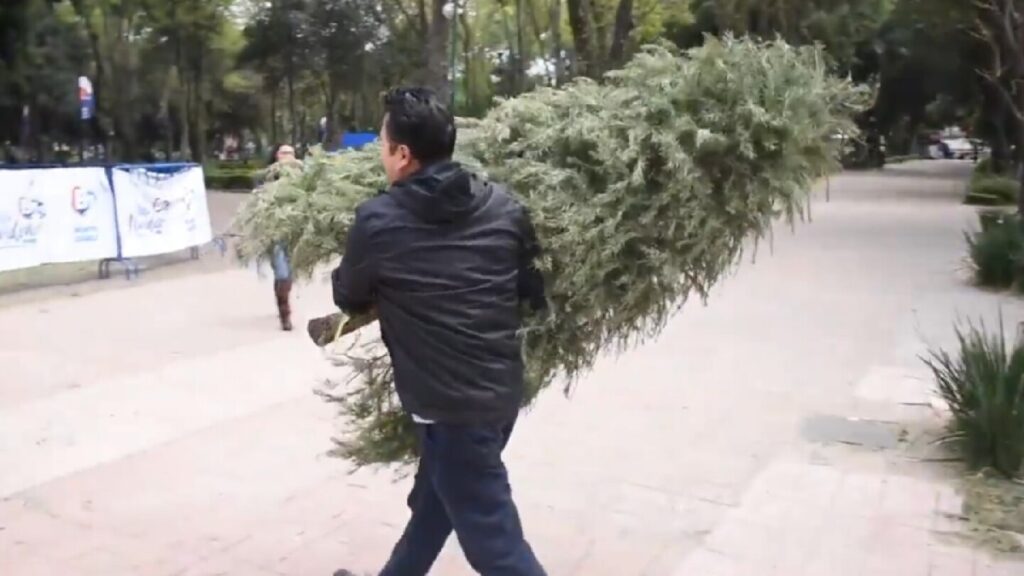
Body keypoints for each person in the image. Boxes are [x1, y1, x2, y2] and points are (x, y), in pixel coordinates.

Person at [330, 88, 548, 576]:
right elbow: (532, 289)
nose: (381, 156)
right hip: (498, 396)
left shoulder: (378, 219)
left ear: (403, 154)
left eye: (383, 146)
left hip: (450, 409)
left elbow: (348, 295)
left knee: (495, 545)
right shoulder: (506, 208)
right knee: (434, 509)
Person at [265, 144, 302, 331]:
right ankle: (284, 315)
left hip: (294, 232)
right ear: (277, 156)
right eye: (284, 153)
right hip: (275, 232)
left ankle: (281, 299)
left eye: (291, 153)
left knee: (289, 273)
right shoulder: (269, 178)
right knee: (281, 272)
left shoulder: (302, 180)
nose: (287, 157)